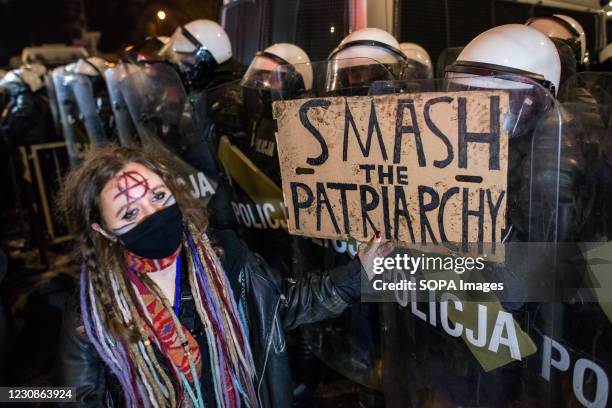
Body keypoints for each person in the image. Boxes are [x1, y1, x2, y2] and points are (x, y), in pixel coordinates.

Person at [56, 144, 391, 407]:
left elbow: (282, 305)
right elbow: (75, 397)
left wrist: (357, 273)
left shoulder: (224, 257)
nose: (153, 214)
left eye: (158, 196)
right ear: (104, 231)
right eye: (130, 212)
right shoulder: (92, 311)